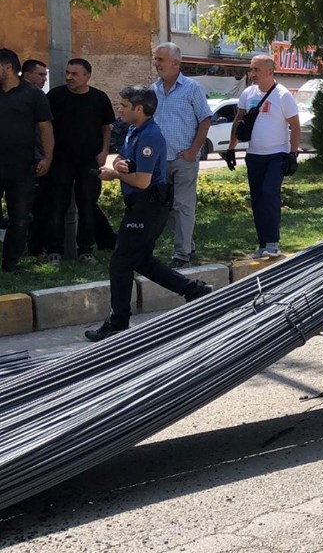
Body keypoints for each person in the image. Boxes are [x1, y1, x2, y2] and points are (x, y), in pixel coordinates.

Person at [85, 86, 212, 341]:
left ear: (139, 109)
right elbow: (128, 160)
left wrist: (115, 174)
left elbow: (142, 181)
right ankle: (193, 290)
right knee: (141, 260)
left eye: (123, 105)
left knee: (120, 262)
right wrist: (120, 163)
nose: (119, 109)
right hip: (140, 206)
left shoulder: (151, 135)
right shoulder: (134, 130)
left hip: (149, 205)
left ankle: (118, 321)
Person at [228, 55, 300, 259]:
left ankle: (273, 242)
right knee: (258, 199)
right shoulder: (248, 93)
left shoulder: (283, 95)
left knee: (269, 194)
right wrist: (231, 149)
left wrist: (292, 155)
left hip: (276, 155)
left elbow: (295, 125)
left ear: (270, 72)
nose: (252, 74)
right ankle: (263, 244)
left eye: (256, 70)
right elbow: (239, 120)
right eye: (251, 69)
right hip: (254, 155)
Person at [42, 58, 114, 264]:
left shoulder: (99, 98)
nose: (69, 77)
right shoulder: (55, 96)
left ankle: (85, 250)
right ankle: (54, 251)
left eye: (74, 74)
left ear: (87, 76)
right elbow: (45, 127)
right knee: (57, 206)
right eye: (67, 73)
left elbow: (106, 128)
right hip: (60, 161)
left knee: (88, 206)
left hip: (89, 161)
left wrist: (104, 152)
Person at [151, 42, 212, 268]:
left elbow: (205, 120)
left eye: (161, 60)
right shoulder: (152, 90)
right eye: (156, 59)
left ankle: (182, 254)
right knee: (164, 207)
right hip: (158, 160)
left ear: (176, 64)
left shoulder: (191, 88)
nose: (156, 64)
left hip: (183, 157)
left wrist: (194, 151)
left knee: (183, 204)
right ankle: (188, 244)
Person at [0, 49, 53, 273]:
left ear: (6, 67)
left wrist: (47, 158)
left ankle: (11, 263)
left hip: (22, 168)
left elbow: (45, 128)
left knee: (19, 218)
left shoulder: (33, 95)